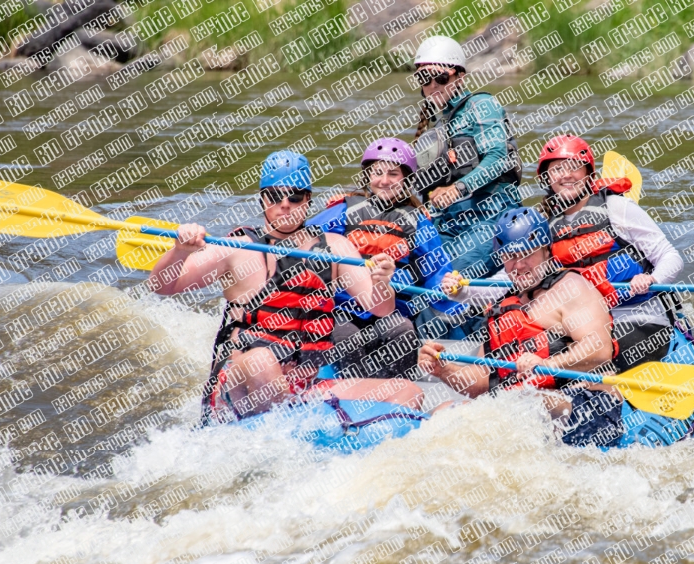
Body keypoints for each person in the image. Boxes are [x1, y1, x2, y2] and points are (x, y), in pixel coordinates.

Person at [148, 150, 424, 424]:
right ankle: (301, 426)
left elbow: (381, 307)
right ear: (262, 199)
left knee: (408, 393)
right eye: (274, 195)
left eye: (294, 196)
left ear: (307, 200)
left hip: (302, 387)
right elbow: (162, 285)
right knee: (262, 363)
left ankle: (324, 430)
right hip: (241, 379)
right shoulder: (238, 247)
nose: (284, 204)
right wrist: (179, 251)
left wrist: (382, 281)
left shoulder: (333, 247)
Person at [418, 207, 626, 448]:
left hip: (588, 406)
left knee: (524, 402)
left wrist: (547, 365)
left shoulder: (571, 288)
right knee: (445, 413)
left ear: (547, 251)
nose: (519, 264)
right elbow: (481, 382)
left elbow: (600, 350)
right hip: (522, 406)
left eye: (528, 253)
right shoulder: (506, 305)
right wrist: (442, 369)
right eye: (510, 256)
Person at [305, 138, 462, 378]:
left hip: (392, 311)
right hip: (345, 310)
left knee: (403, 331)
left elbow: (435, 271)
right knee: (347, 336)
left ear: (406, 179)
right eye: (378, 173)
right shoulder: (342, 211)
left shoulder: (416, 221)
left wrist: (449, 289)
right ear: (368, 174)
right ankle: (349, 395)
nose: (385, 181)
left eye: (393, 174)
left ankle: (397, 398)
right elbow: (305, 238)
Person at [535, 134, 686, 367]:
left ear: (588, 174)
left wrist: (651, 277)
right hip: (584, 327)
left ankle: (600, 392)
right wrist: (462, 290)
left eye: (574, 166)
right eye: (557, 169)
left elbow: (670, 256)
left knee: (606, 356)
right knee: (541, 349)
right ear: (547, 178)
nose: (565, 174)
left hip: (638, 317)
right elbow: (520, 273)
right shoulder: (547, 225)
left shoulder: (617, 207)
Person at [410, 35, 523, 336]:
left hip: (488, 222)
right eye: (424, 79)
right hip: (446, 225)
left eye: (440, 78)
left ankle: (467, 355)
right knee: (405, 267)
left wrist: (456, 190)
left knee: (446, 282)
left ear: (459, 76)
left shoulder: (481, 105)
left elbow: (498, 159)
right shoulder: (438, 125)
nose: (432, 86)